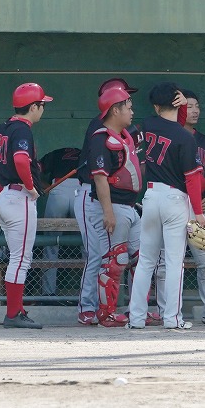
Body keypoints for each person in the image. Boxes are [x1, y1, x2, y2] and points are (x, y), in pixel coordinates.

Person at [128, 83, 205, 330]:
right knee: (174, 263)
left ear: (155, 106)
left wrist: (177, 106)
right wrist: (199, 213)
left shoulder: (147, 124)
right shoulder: (185, 137)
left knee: (145, 261)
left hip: (151, 197)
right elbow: (192, 179)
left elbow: (171, 125)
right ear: (177, 102)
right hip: (174, 200)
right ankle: (172, 318)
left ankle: (136, 319)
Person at [155, 89, 205, 324]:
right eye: (189, 106)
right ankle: (164, 310)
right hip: (173, 203)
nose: (195, 110)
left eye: (197, 106)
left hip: (196, 210)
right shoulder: (169, 135)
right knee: (165, 263)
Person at [0, 83, 53, 329]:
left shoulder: (5, 126)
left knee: (18, 257)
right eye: (41, 104)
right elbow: (21, 160)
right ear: (33, 106)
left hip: (7, 196)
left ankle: (16, 309)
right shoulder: (22, 129)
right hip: (19, 198)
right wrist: (30, 187)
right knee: (21, 259)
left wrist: (4, 179)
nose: (43, 108)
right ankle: (13, 314)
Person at [76, 77, 139, 325]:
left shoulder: (123, 132)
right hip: (91, 193)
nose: (131, 109)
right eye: (126, 101)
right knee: (98, 255)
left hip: (117, 201)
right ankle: (87, 308)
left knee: (125, 256)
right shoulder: (99, 129)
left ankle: (134, 309)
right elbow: (100, 177)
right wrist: (108, 210)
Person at [38, 147, 82, 297]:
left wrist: (47, 188)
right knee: (87, 245)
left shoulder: (55, 153)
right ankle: (88, 293)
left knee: (50, 244)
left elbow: (34, 169)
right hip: (80, 190)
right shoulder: (85, 153)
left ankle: (48, 293)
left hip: (58, 187)